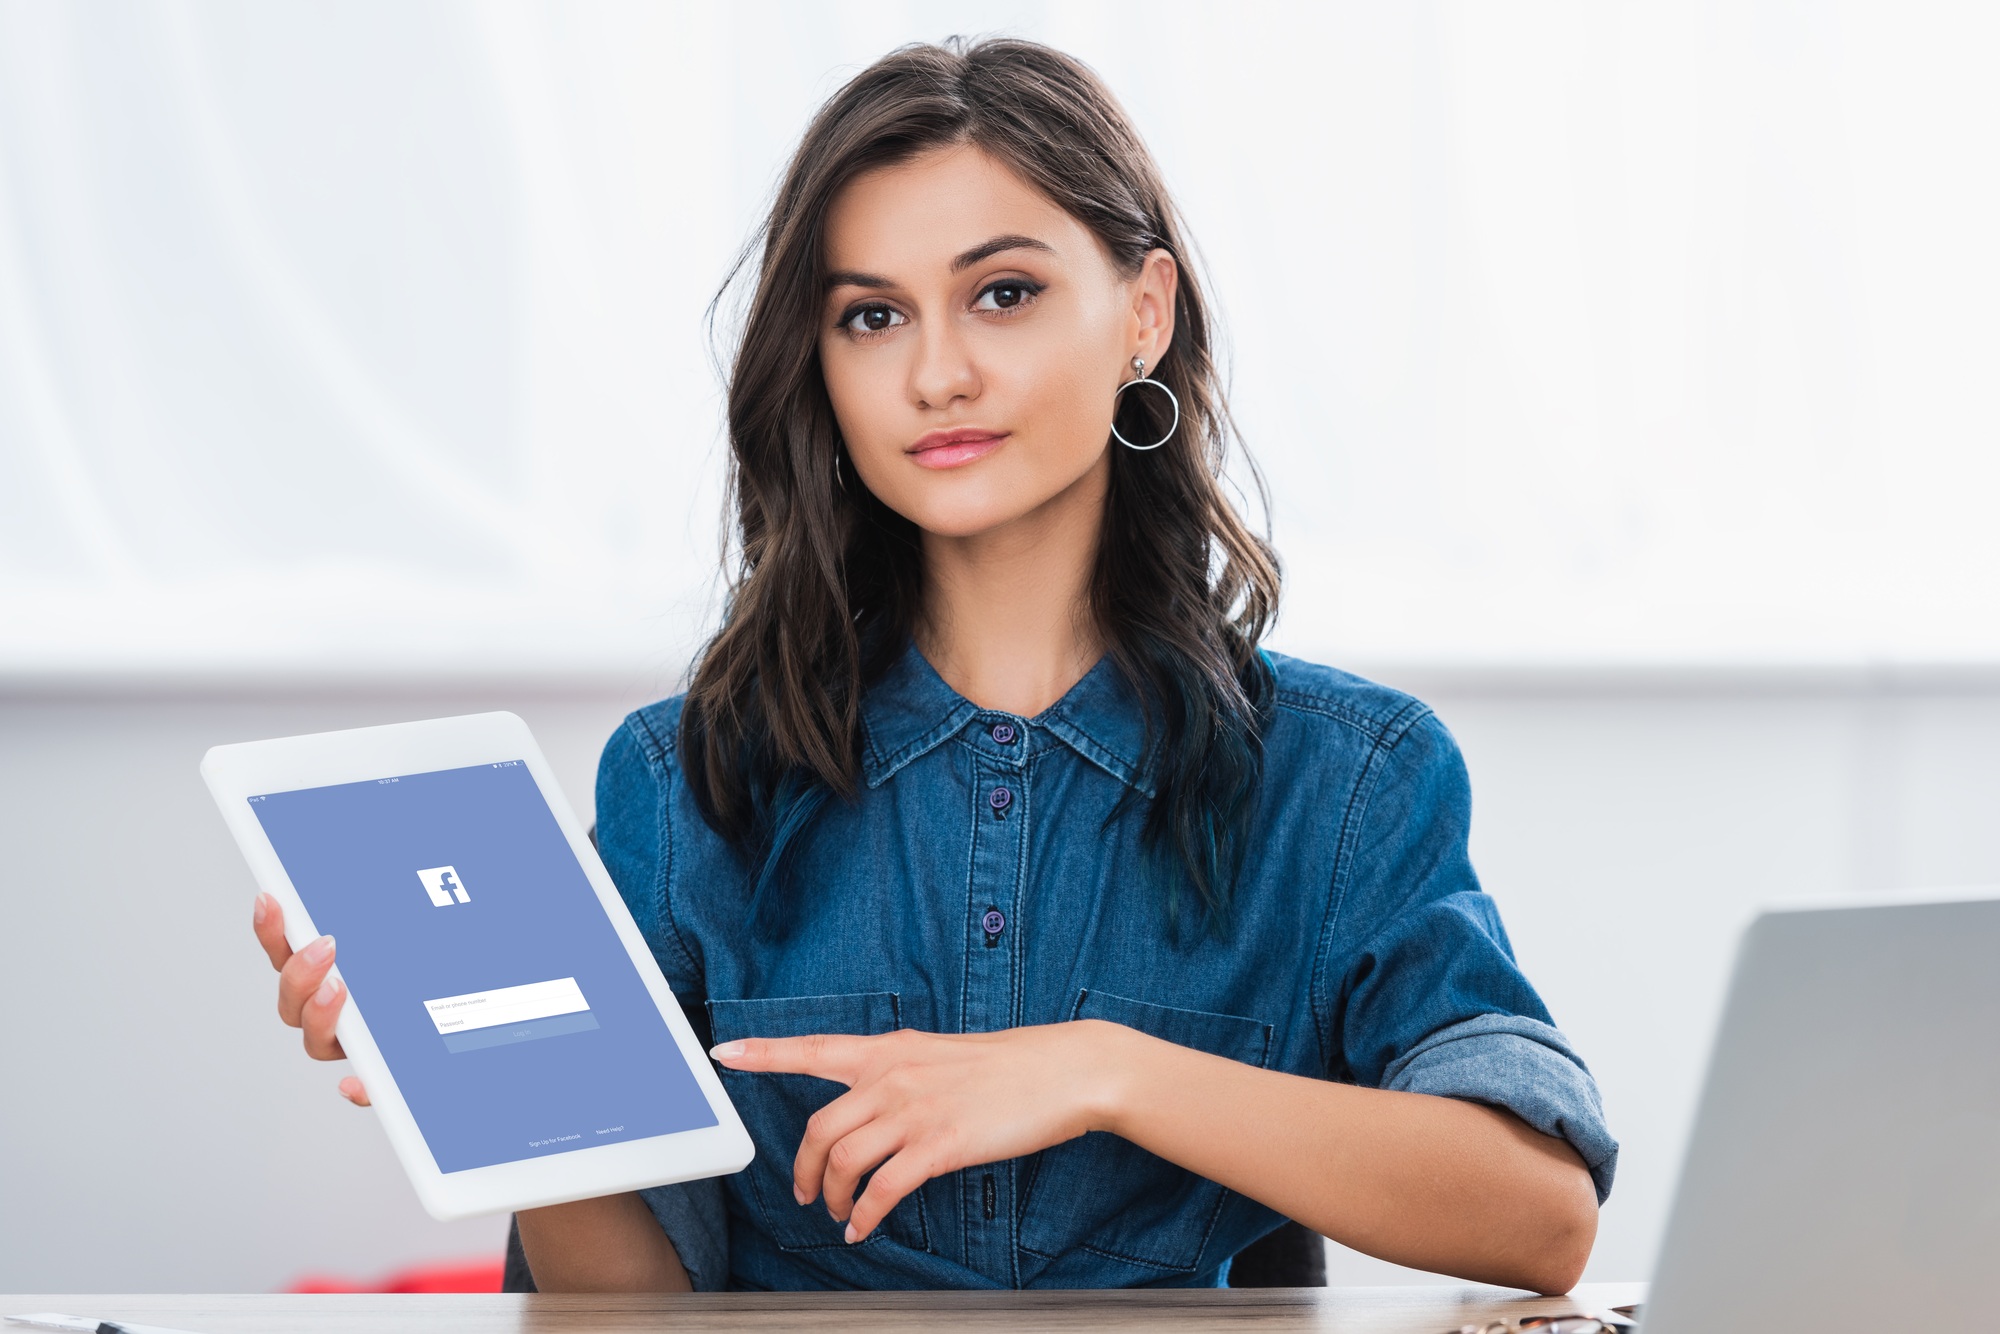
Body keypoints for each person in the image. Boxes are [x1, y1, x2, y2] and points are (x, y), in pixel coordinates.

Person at [252, 36, 1616, 1295]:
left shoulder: (1349, 778)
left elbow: (1539, 1213)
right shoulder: (685, 784)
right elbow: (633, 1317)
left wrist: (1097, 1071)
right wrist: (493, 1093)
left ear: (1145, 311)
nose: (937, 373)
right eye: (872, 316)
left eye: (1003, 293)